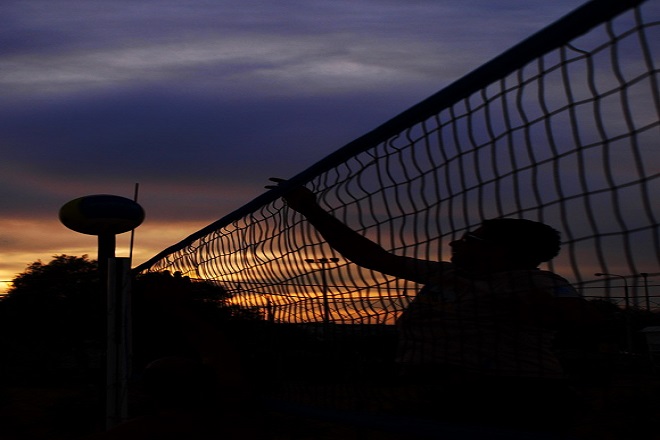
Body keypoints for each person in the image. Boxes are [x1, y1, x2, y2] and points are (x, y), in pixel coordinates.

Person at [267, 177, 597, 434]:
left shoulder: (535, 282)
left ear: (501, 251)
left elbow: (574, 320)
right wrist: (310, 209)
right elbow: (372, 257)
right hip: (440, 392)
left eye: (471, 240)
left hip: (512, 394)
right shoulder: (446, 273)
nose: (456, 242)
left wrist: (511, 297)